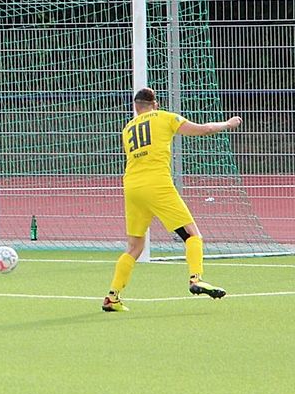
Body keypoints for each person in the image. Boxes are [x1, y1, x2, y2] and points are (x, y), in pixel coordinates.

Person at [102, 87, 242, 312]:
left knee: (134, 246)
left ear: (136, 108)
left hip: (131, 186)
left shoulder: (127, 128)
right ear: (155, 104)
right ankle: (196, 279)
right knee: (192, 234)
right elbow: (203, 129)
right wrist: (227, 124)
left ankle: (112, 297)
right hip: (157, 184)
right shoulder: (164, 117)